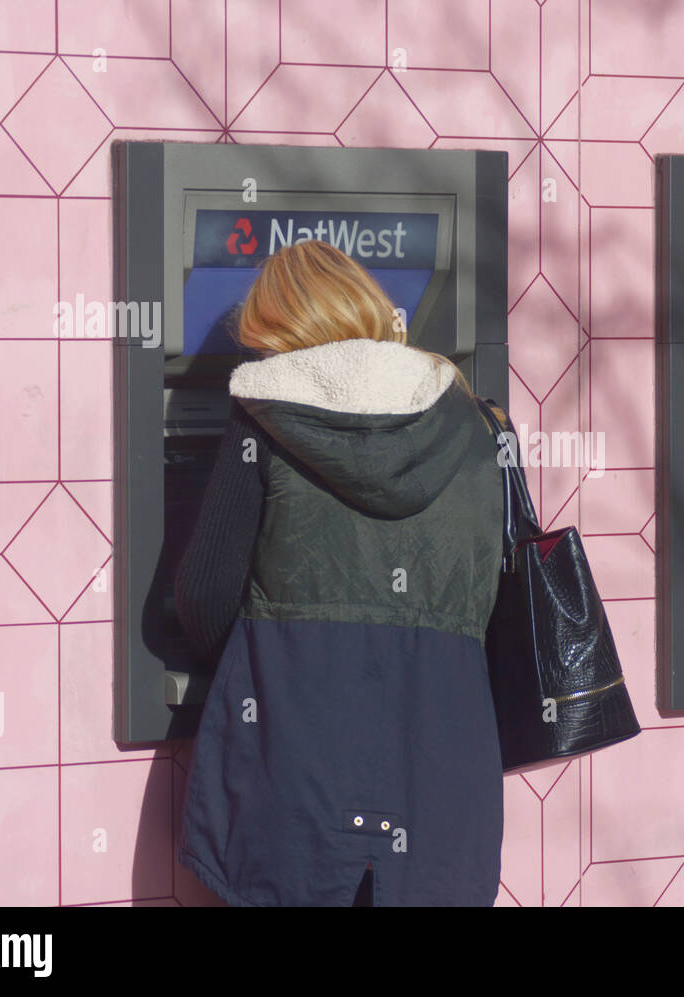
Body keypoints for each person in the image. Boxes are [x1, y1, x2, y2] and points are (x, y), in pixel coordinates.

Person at [173, 239, 508, 906]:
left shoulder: (262, 417)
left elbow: (203, 598)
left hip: (294, 787)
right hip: (440, 779)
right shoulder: (477, 423)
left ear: (280, 329)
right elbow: (487, 596)